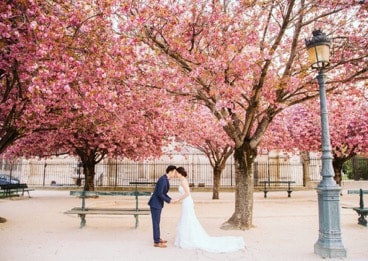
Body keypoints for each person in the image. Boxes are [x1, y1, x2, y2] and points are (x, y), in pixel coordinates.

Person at [174, 166, 245, 253]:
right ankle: (187, 237)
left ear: (180, 173)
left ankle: (188, 238)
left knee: (188, 218)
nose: (175, 174)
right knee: (187, 218)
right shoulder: (183, 180)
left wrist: (178, 199)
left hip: (186, 201)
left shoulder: (183, 181)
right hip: (186, 202)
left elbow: (187, 193)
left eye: (176, 173)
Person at [148, 165, 178, 248]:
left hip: (157, 203)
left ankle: (157, 238)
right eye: (174, 172)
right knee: (156, 222)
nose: (175, 174)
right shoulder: (163, 180)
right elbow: (160, 193)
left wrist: (170, 199)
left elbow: (163, 193)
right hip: (155, 204)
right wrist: (169, 200)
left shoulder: (165, 179)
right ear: (171, 171)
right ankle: (156, 242)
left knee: (157, 222)